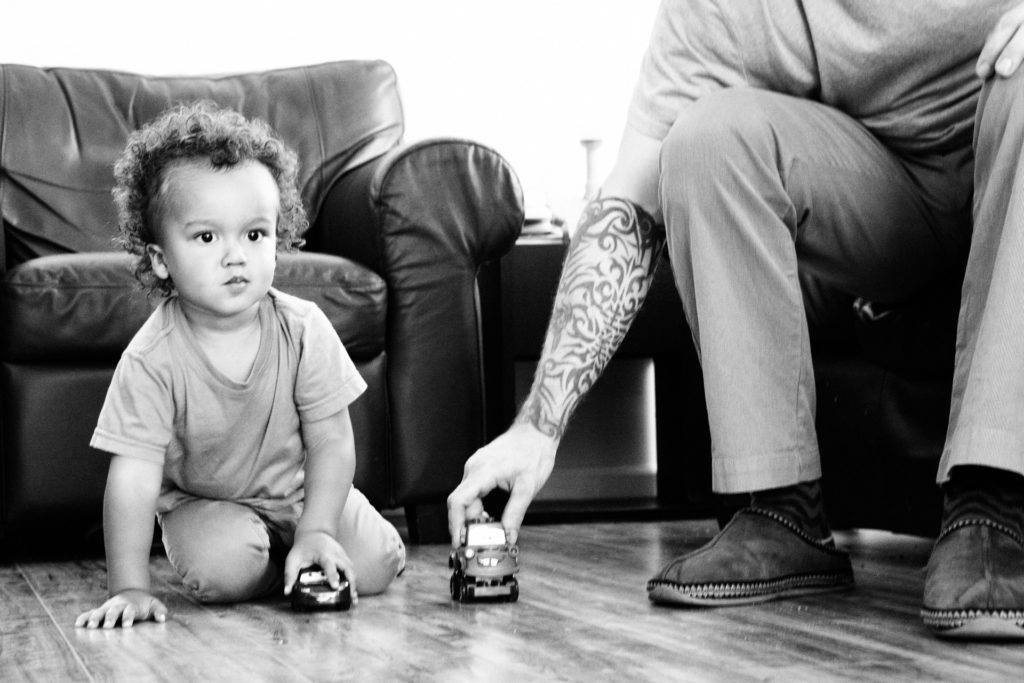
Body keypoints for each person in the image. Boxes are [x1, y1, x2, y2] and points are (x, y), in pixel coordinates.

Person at [449, 0, 1024, 639]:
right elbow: (630, 202)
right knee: (703, 139)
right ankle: (780, 507)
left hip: (1011, 147)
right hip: (894, 204)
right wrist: (538, 428)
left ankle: (996, 500)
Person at [75, 102, 405, 629]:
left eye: (255, 235)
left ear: (280, 235)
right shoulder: (150, 359)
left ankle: (305, 547)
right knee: (223, 573)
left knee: (374, 566)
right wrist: (130, 588)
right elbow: (133, 482)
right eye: (208, 238)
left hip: (298, 495)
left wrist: (318, 527)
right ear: (161, 260)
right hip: (206, 507)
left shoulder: (304, 328)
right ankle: (277, 564)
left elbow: (331, 442)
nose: (236, 256)